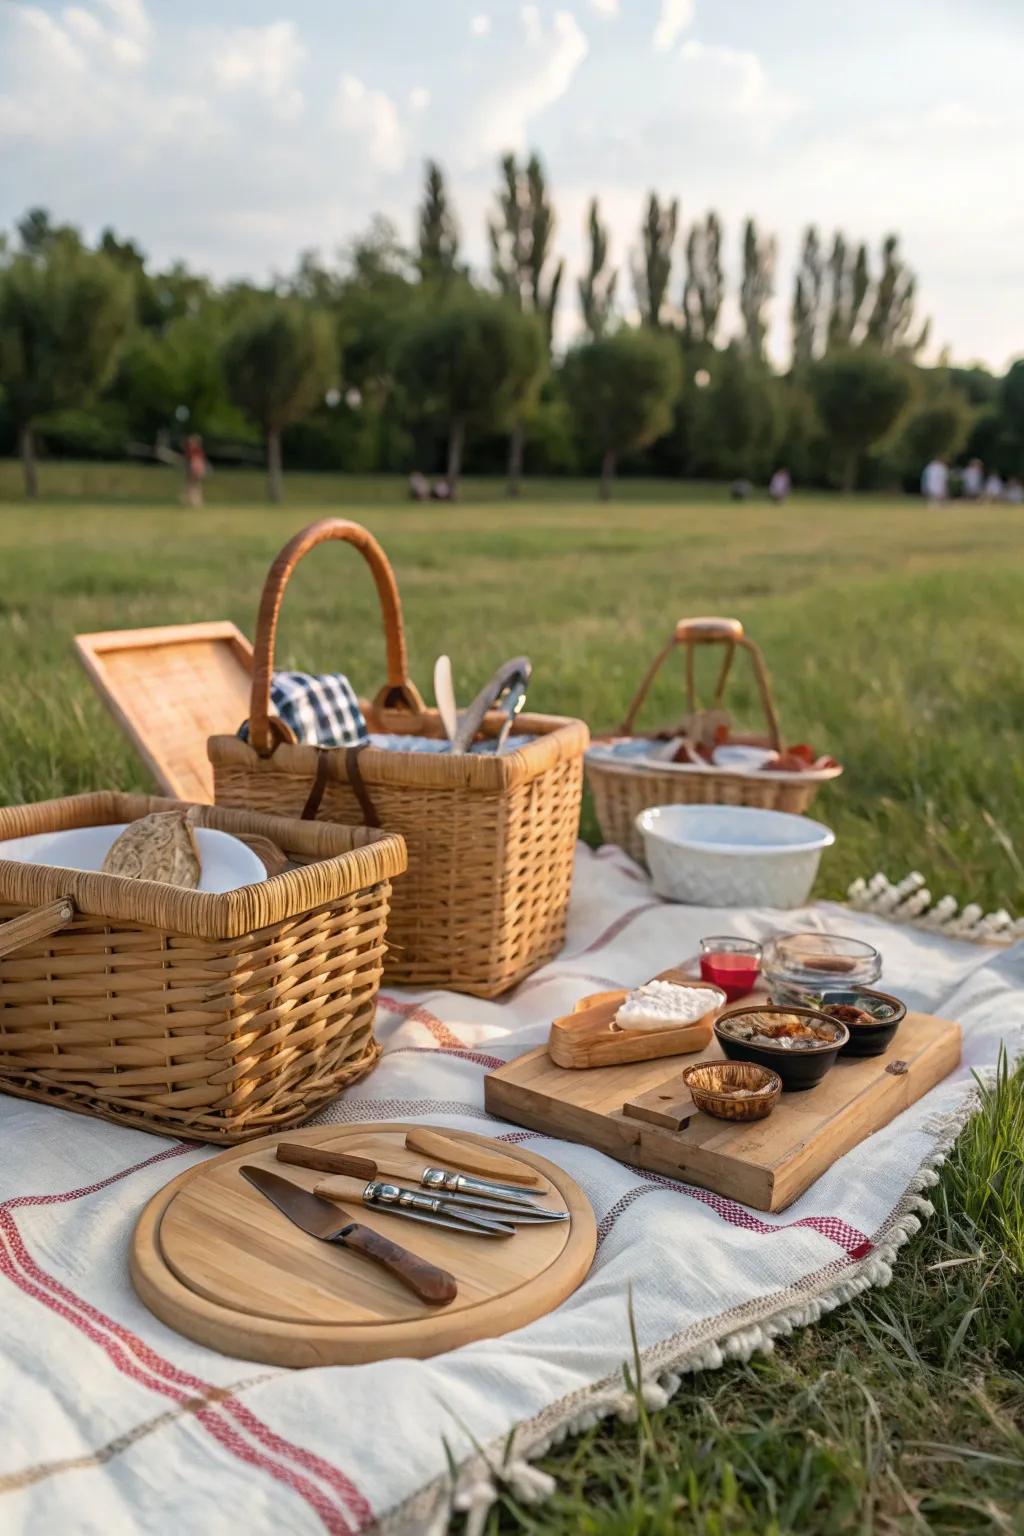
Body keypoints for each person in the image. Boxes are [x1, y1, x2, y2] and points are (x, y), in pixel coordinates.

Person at [183, 434, 208, 508]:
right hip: (194, 468)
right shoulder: (193, 450)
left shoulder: (195, 451)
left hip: (195, 468)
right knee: (193, 485)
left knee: (193, 485)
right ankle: (193, 501)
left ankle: (194, 501)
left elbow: (196, 462)